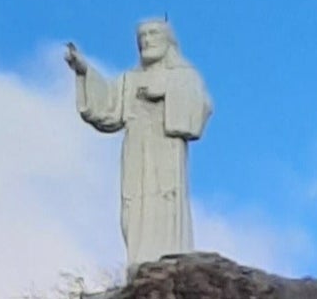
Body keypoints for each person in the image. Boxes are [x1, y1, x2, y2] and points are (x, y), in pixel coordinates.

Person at [65, 19, 212, 274]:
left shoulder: (184, 76)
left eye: (153, 33)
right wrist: (83, 70)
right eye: (141, 35)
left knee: (165, 200)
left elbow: (202, 107)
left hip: (165, 150)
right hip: (136, 150)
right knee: (133, 207)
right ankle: (141, 264)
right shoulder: (129, 80)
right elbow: (106, 108)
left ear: (168, 41)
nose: (146, 39)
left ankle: (169, 261)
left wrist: (166, 92)